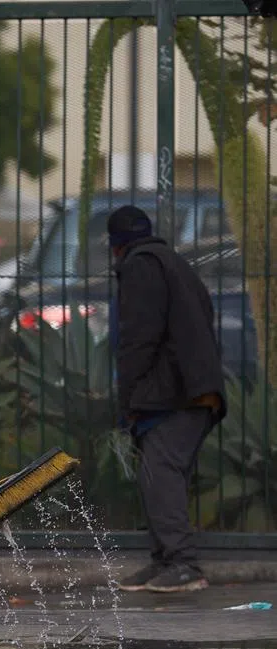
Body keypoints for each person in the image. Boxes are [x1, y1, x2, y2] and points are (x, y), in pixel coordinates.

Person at [109, 205, 225, 594]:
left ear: (115, 247)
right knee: (158, 474)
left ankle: (182, 564)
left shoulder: (141, 266)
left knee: (161, 472)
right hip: (193, 388)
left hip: (173, 393)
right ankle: (165, 561)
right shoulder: (173, 262)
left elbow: (139, 338)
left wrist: (127, 399)